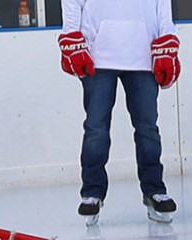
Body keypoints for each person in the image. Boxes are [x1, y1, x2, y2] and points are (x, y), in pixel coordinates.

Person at [58, 0, 181, 225]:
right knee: (96, 127)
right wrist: (71, 36)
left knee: (147, 128)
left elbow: (162, 5)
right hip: (99, 55)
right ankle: (92, 193)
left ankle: (154, 190)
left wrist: (167, 40)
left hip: (142, 53)